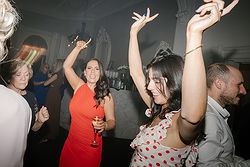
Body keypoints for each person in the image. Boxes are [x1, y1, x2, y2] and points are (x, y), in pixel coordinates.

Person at [127, 0, 236, 166]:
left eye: (156, 81)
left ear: (174, 80)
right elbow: (135, 72)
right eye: (149, 80)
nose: (149, 86)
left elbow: (192, 116)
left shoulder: (178, 122)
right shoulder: (158, 108)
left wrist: (194, 35)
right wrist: (133, 33)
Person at [59, 40, 115, 167]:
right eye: (89, 68)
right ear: (84, 72)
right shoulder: (78, 86)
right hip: (71, 144)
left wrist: (105, 125)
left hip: (90, 148)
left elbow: (112, 121)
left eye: (96, 69)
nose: (92, 72)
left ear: (100, 73)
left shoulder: (106, 96)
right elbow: (66, 66)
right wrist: (77, 48)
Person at [197, 63, 250, 166]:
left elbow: (226, 157)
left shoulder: (214, 112)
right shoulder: (209, 118)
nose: (244, 91)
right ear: (219, 84)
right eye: (239, 85)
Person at [0, 0, 32, 167]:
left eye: (27, 75)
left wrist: (40, 121)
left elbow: (30, 132)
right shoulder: (5, 98)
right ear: (10, 76)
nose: (23, 78)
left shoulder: (30, 100)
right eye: (19, 74)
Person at [42, 59, 64, 142]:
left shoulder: (56, 74)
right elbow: (60, 83)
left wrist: (49, 79)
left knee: (50, 113)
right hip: (56, 94)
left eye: (55, 63)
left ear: (58, 65)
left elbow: (45, 84)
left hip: (52, 94)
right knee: (55, 113)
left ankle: (51, 133)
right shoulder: (61, 74)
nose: (53, 64)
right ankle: (54, 132)